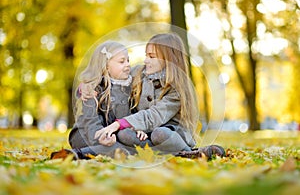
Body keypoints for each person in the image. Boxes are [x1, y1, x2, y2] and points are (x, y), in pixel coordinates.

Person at [94, 33, 225, 159]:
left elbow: (153, 116)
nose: (146, 60)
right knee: (124, 134)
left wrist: (118, 124)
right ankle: (158, 153)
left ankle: (187, 152)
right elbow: (115, 74)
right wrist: (91, 84)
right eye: (146, 55)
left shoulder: (177, 90)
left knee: (160, 134)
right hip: (145, 133)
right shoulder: (139, 73)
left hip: (171, 134)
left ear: (168, 59)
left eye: (152, 56)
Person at [51, 40, 147, 159]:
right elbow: (90, 119)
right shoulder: (92, 89)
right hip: (87, 134)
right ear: (106, 66)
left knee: (124, 148)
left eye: (128, 60)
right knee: (118, 150)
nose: (127, 64)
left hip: (113, 135)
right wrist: (100, 137)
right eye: (122, 61)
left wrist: (138, 127)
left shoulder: (130, 86)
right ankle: (77, 154)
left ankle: (78, 153)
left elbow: (133, 113)